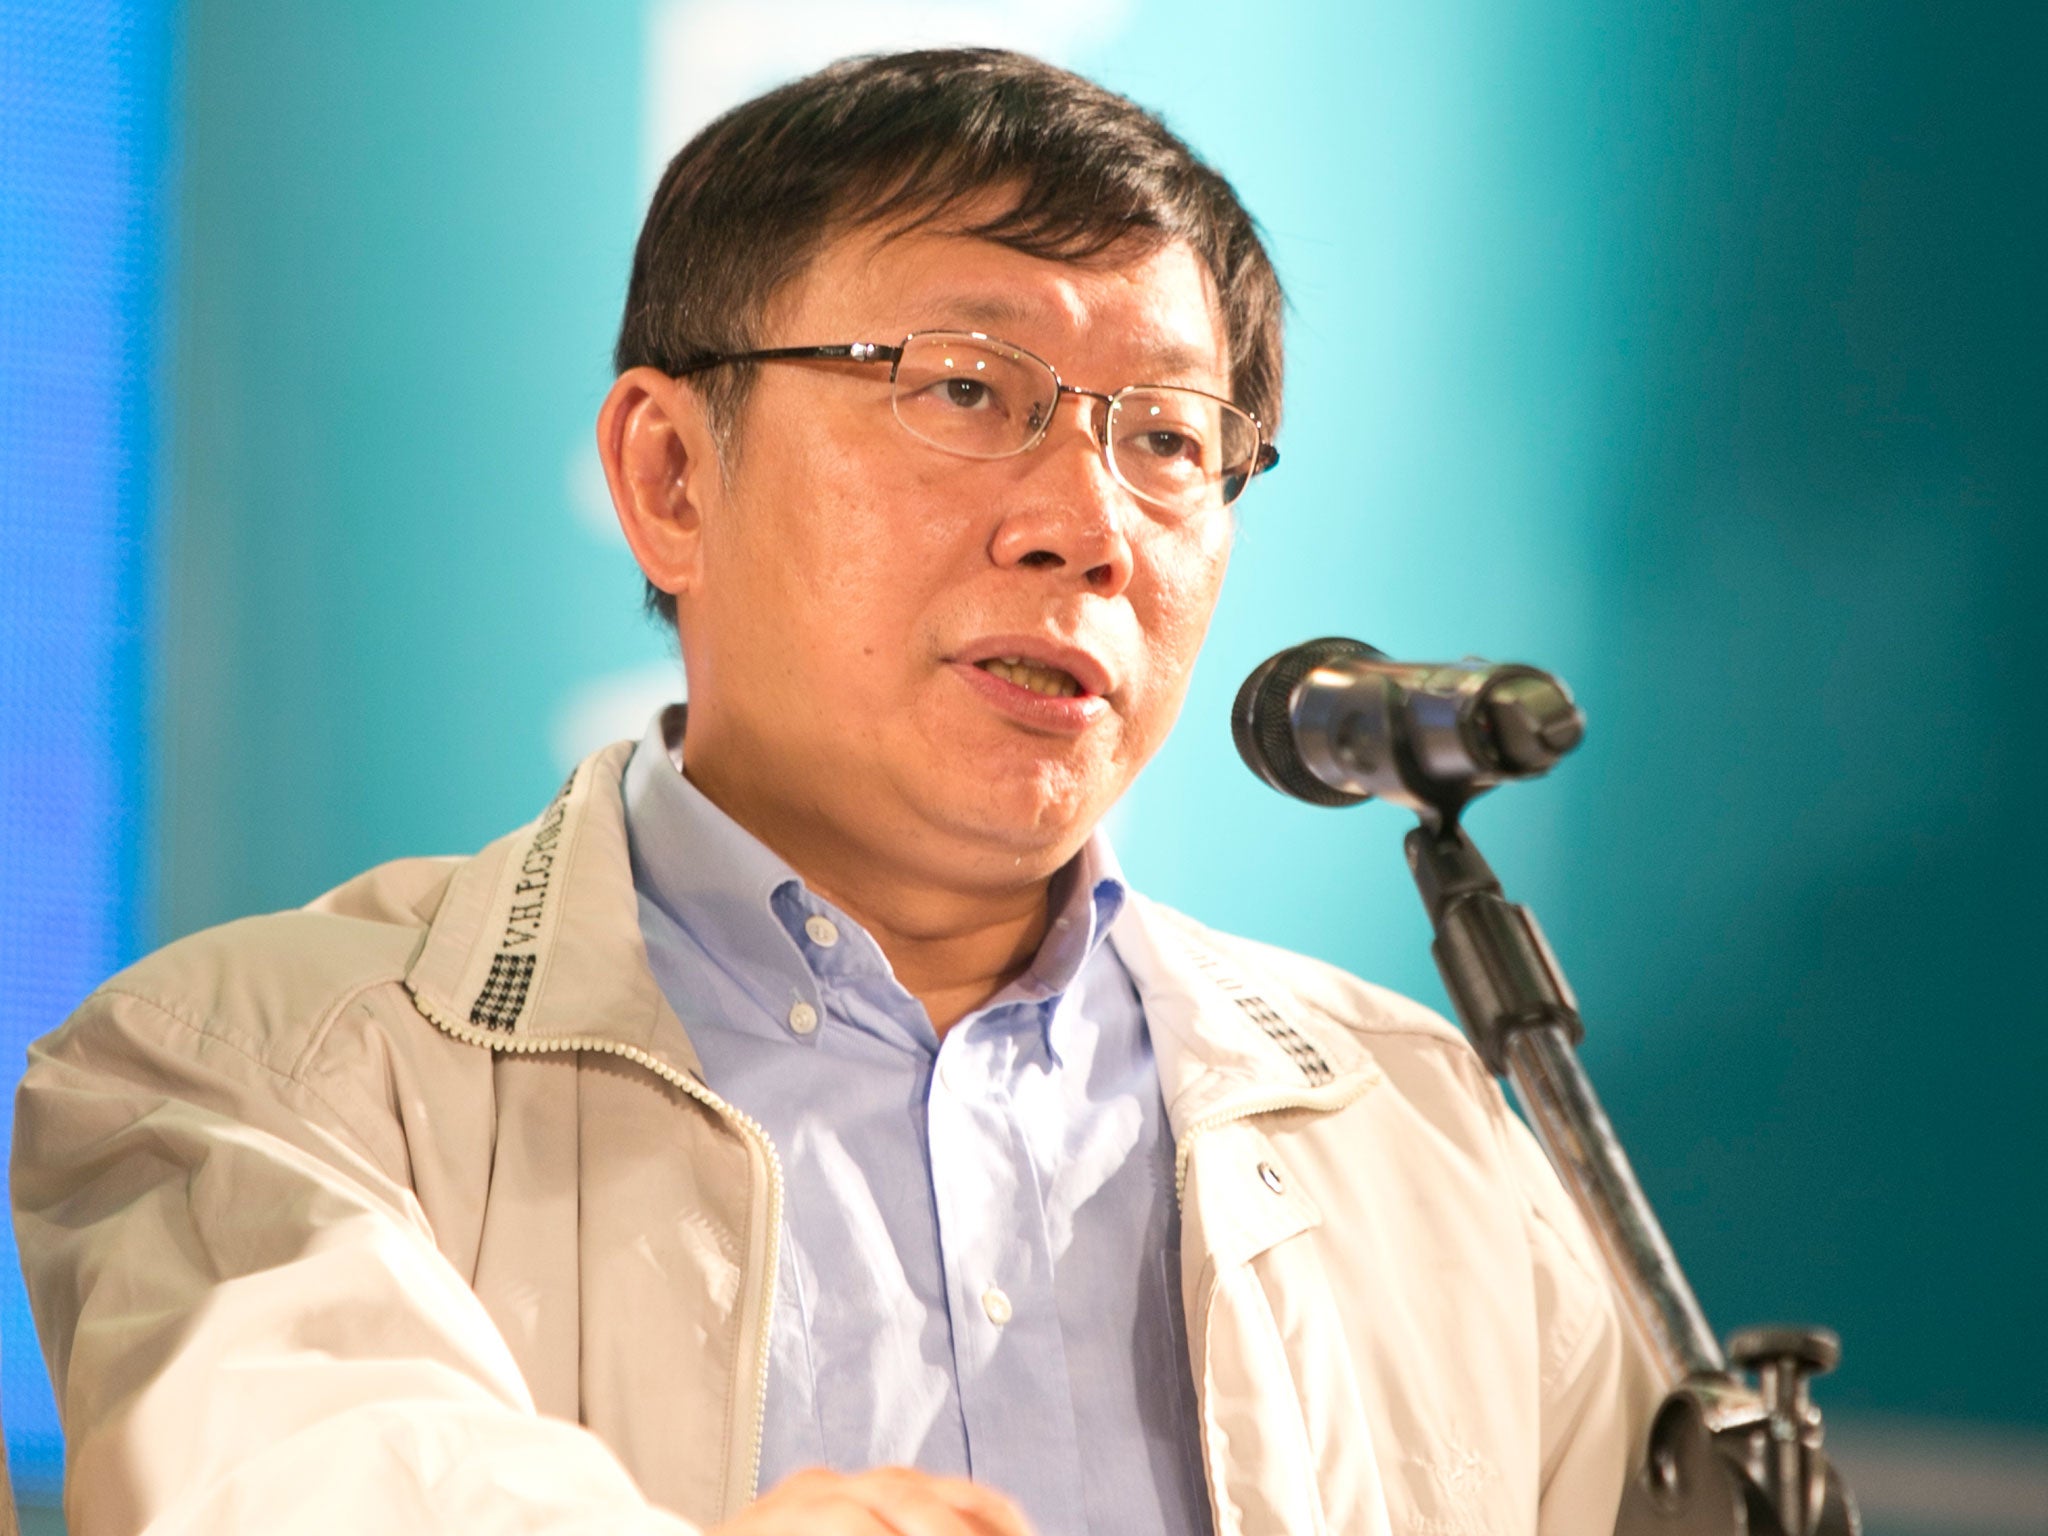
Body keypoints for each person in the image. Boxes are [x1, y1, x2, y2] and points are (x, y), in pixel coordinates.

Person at [11, 48, 1660, 1536]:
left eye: (1166, 438)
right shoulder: (252, 1067)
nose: (1085, 525)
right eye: (963, 390)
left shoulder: (1418, 1126)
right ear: (670, 478)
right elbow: (314, 1483)